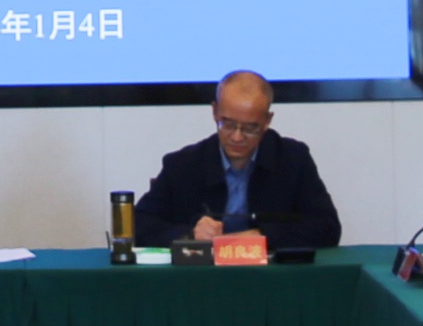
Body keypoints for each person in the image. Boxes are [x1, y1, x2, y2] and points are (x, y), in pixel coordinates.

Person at [133, 72, 341, 248]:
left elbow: (327, 227)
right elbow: (139, 225)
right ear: (215, 112)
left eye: (250, 128)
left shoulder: (293, 159)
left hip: (269, 276)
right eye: (228, 124)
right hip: (204, 277)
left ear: (267, 121)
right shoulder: (182, 165)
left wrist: (262, 236)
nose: (237, 137)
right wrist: (190, 234)